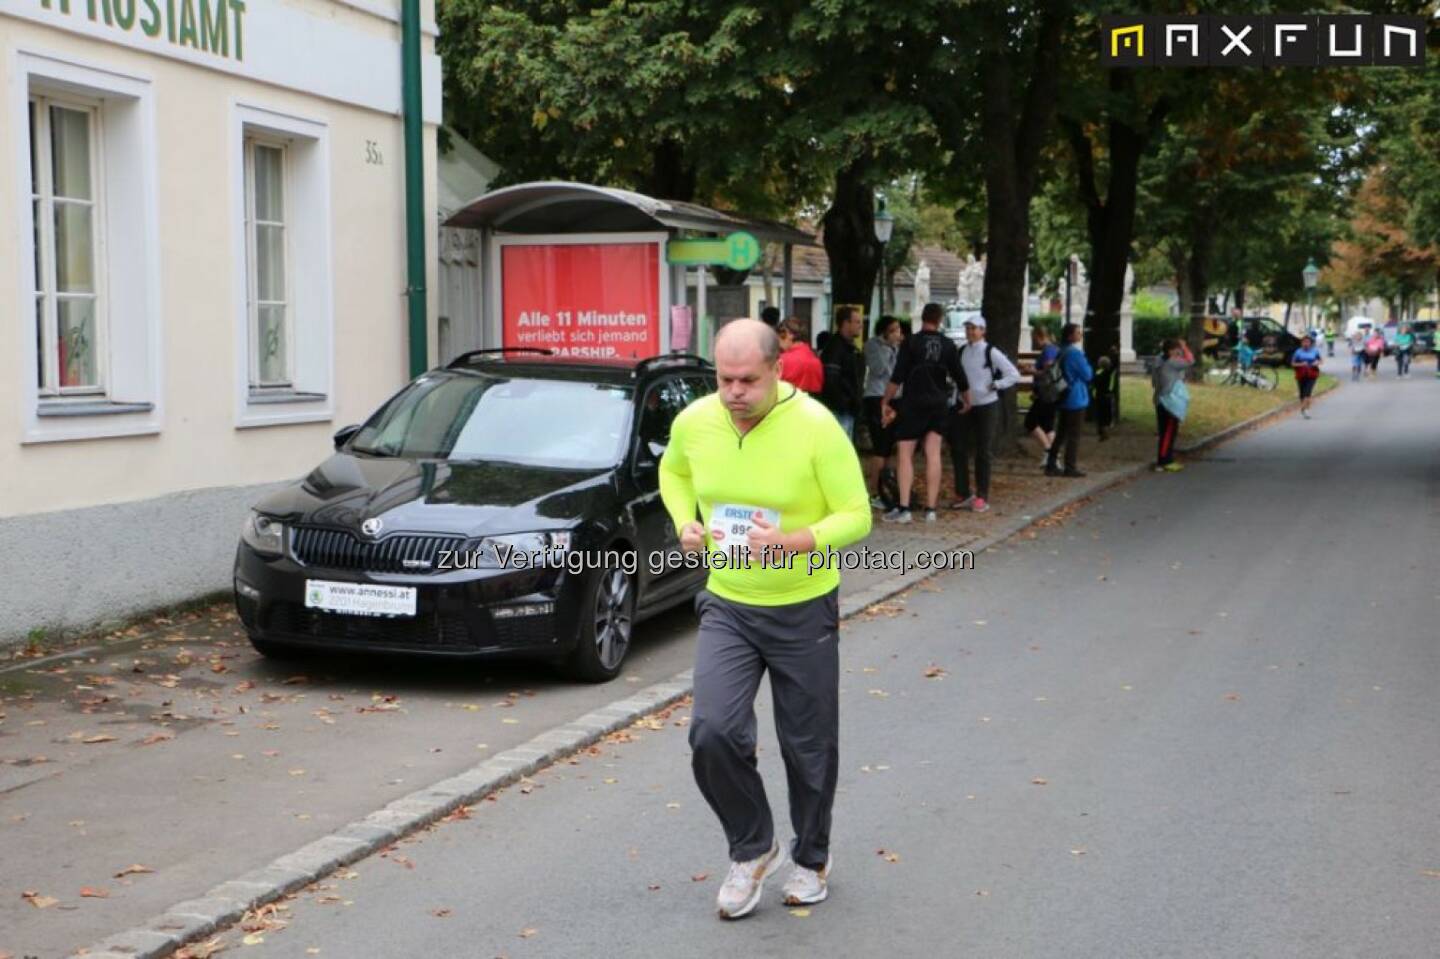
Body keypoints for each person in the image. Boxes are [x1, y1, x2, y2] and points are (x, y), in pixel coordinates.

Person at [659, 320, 871, 920]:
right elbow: (673, 472)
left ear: (778, 369)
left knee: (808, 747)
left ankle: (811, 859)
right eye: (724, 379)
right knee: (712, 732)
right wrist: (684, 523)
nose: (734, 392)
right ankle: (753, 848)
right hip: (727, 600)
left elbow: (856, 515)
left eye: (748, 380)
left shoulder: (815, 428)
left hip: (803, 606)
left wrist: (797, 539)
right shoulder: (696, 421)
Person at [880, 303, 968, 524]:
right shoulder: (948, 345)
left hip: (913, 404)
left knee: (905, 454)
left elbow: (897, 375)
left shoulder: (911, 342)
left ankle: (905, 508)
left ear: (923, 318)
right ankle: (931, 509)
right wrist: (967, 399)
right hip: (938, 404)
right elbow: (959, 375)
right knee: (933, 454)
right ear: (940, 320)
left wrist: (886, 400)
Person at [949, 316, 1020, 513]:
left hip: (987, 406)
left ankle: (982, 495)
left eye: (974, 329)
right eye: (968, 328)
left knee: (983, 451)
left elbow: (1013, 374)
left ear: (983, 331)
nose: (970, 332)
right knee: (959, 449)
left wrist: (996, 385)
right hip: (964, 405)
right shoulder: (962, 350)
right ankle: (963, 492)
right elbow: (957, 378)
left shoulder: (990, 351)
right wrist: (956, 399)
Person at [862, 316, 904, 510]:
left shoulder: (897, 348)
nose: (898, 334)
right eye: (894, 330)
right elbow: (878, 369)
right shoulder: (874, 345)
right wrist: (889, 348)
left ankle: (887, 486)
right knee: (880, 445)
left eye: (898, 330)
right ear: (885, 332)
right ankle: (874, 491)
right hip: (876, 396)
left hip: (894, 397)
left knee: (890, 445)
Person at [1046, 323, 1093, 477]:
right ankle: (1070, 466)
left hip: (1063, 394)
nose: (1080, 335)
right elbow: (1087, 375)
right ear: (1070, 336)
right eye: (1077, 332)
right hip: (1075, 397)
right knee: (1074, 434)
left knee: (1061, 433)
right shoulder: (1075, 354)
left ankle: (1051, 463)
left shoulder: (1061, 351)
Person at [819, 306, 865, 441]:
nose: (860, 326)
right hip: (840, 410)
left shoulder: (849, 347)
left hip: (847, 409)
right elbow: (831, 380)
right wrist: (845, 403)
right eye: (857, 322)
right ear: (846, 323)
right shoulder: (836, 348)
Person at [1152, 338, 1193, 471]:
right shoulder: (1171, 363)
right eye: (1177, 349)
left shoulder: (1159, 361)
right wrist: (1185, 347)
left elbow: (1154, 382)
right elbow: (1190, 361)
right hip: (1169, 401)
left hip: (1160, 399)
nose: (1179, 351)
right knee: (1169, 432)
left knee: (1165, 431)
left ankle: (1166, 459)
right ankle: (1164, 461)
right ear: (1170, 351)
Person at [776, 318, 823, 395]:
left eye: (780, 335)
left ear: (790, 334)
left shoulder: (782, 360)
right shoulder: (817, 361)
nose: (778, 340)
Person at [1291, 334, 1322, 418]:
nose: (1305, 344)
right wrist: (1301, 364)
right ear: (1301, 343)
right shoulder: (1298, 352)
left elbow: (1320, 360)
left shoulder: (1315, 351)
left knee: (1308, 392)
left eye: (1307, 342)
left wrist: (1316, 363)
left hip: (1312, 373)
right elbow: (1293, 363)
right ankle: (1303, 408)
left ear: (1310, 343)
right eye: (1303, 342)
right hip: (1301, 374)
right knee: (1302, 393)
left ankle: (1306, 409)